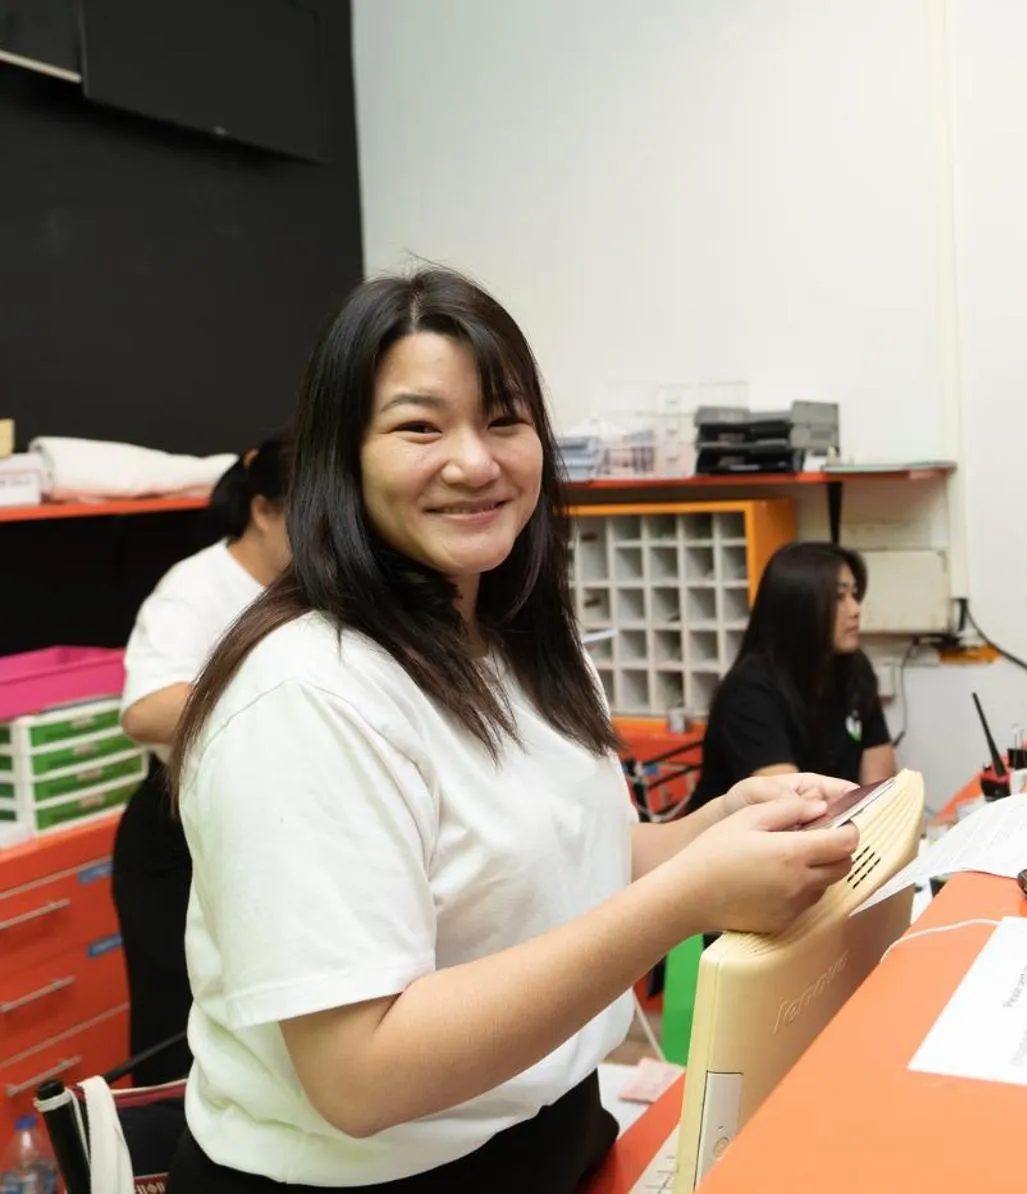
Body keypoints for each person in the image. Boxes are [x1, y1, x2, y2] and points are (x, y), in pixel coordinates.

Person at [164, 268, 859, 1193]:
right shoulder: (305, 695)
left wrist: (719, 826)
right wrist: (690, 898)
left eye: (503, 420)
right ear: (341, 456)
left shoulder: (519, 634)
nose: (475, 462)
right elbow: (360, 1075)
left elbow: (556, 858)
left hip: (552, 1127)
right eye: (420, 426)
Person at [114, 434, 291, 1084]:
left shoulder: (315, 584)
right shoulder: (195, 587)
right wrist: (290, 698)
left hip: (270, 828)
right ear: (264, 508)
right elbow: (146, 710)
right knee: (182, 1047)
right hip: (178, 835)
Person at [690, 541, 896, 811]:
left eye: (854, 594)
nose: (855, 608)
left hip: (831, 833)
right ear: (800, 607)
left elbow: (881, 792)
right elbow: (792, 812)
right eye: (838, 597)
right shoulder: (750, 692)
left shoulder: (854, 668)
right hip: (741, 846)